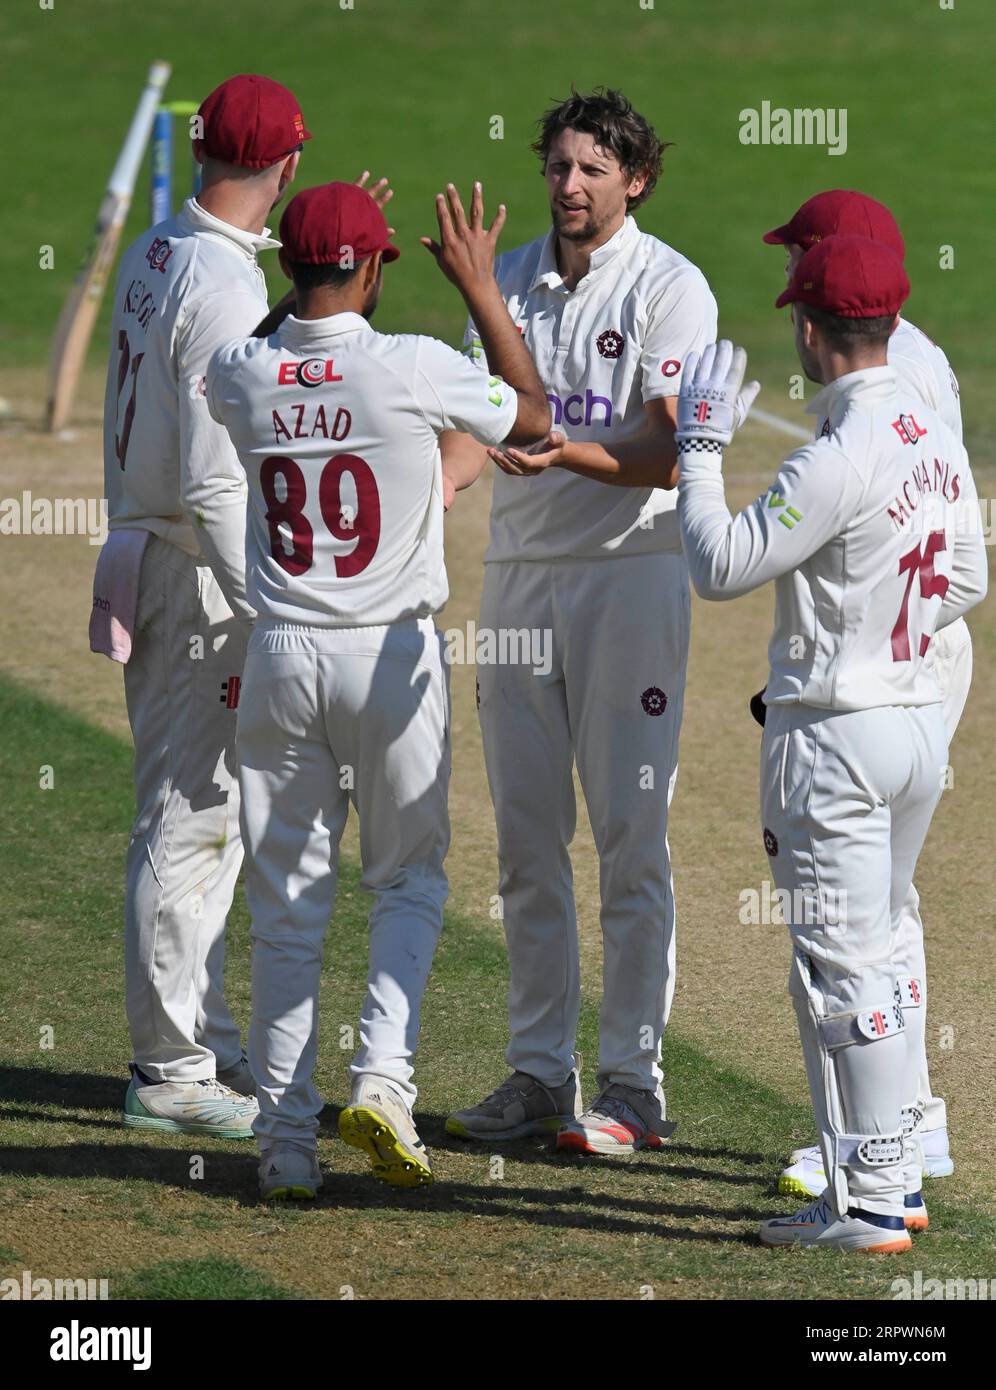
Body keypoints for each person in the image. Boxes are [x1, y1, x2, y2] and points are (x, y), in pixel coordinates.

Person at [204, 180, 550, 1198]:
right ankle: (383, 1085)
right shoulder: (412, 365)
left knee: (286, 909)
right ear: (369, 267)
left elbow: (275, 339)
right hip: (391, 662)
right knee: (406, 878)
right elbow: (530, 413)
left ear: (287, 269)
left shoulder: (243, 370)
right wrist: (483, 288)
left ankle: (283, 1146)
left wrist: (311, 278)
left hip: (280, 662)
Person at [675, 237, 986, 1250]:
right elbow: (971, 580)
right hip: (911, 729)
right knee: (883, 946)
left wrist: (699, 449)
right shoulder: (930, 433)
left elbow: (719, 565)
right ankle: (888, 1177)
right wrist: (888, 625)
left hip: (832, 740)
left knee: (839, 972)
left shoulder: (835, 455)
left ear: (811, 327)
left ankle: (868, 1200)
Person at [441, 88, 724, 1155]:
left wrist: (563, 452)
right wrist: (433, 499)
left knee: (629, 838)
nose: (569, 186)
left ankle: (633, 1083)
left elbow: (664, 448)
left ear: (634, 180)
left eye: (592, 170)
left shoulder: (671, 288)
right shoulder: (506, 279)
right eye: (558, 167)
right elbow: (473, 424)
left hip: (629, 579)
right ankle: (537, 1072)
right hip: (518, 582)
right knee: (523, 837)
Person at [94, 74, 310, 1138]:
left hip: (146, 546)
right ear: (285, 166)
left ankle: (199, 1039)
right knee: (191, 817)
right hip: (196, 568)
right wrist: (269, 598)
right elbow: (219, 477)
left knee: (193, 815)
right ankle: (171, 1065)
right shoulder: (221, 284)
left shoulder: (161, 248)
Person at [759, 191, 972, 1199]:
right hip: (913, 646)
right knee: (883, 910)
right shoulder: (909, 357)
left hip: (890, 664)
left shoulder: (891, 381)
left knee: (861, 921)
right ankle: (902, 1133)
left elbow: (735, 558)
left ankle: (878, 1150)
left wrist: (865, 639)